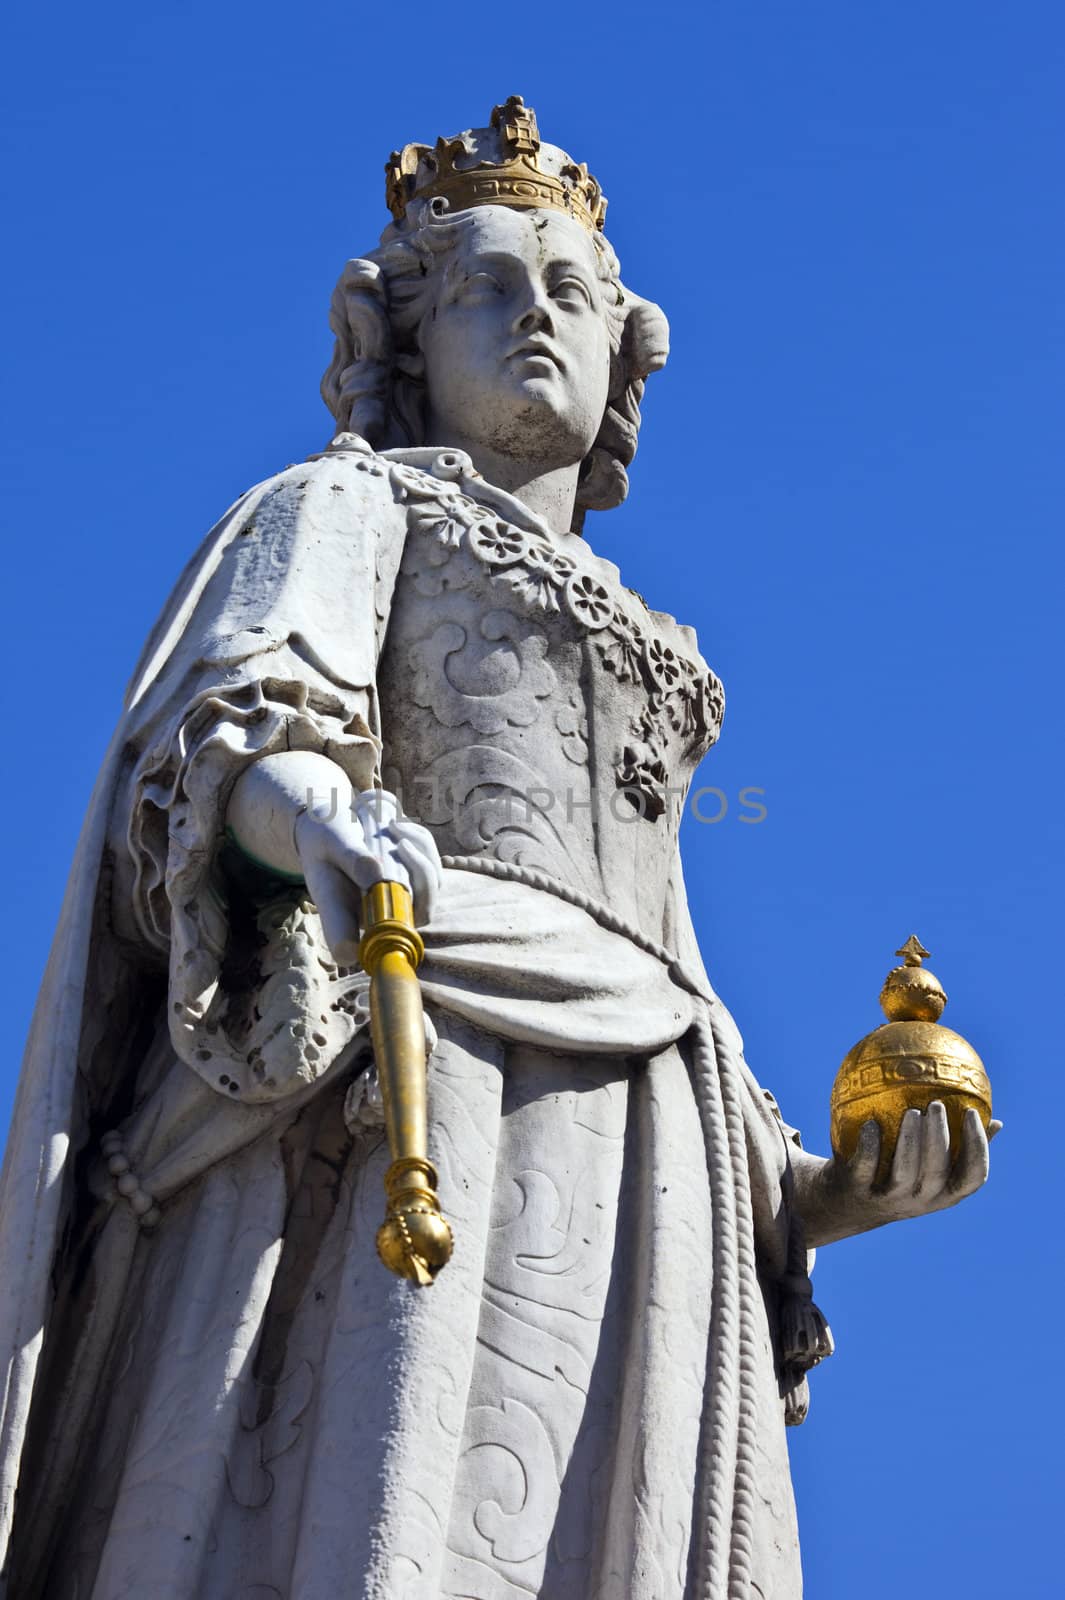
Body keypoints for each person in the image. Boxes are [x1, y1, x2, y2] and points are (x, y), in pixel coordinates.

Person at [0, 98, 995, 1600]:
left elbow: (664, 958)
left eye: (571, 292)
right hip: (413, 1050)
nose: (535, 313)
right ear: (394, 335)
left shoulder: (657, 642)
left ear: (624, 355)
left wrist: (808, 1193)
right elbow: (231, 736)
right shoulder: (341, 503)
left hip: (652, 1134)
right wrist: (315, 817)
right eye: (484, 284)